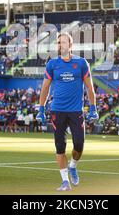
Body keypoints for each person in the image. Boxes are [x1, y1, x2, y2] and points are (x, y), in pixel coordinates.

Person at [37, 33, 97, 191]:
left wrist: (93, 107)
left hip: (76, 110)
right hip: (57, 110)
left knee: (79, 144)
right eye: (57, 42)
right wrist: (41, 109)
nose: (59, 45)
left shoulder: (81, 63)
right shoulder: (52, 64)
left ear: (70, 45)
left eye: (62, 42)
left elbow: (90, 87)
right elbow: (45, 88)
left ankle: (73, 165)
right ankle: (65, 181)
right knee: (60, 146)